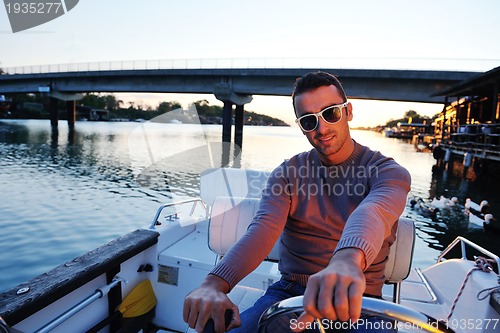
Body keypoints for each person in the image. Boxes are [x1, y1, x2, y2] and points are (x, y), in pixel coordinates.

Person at [183, 71, 411, 332]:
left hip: (362, 303)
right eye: (308, 120)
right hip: (289, 294)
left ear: (348, 111)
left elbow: (374, 211)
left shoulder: (388, 172)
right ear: (301, 126)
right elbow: (263, 230)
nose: (322, 128)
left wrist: (347, 261)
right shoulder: (287, 174)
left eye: (330, 113)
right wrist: (214, 283)